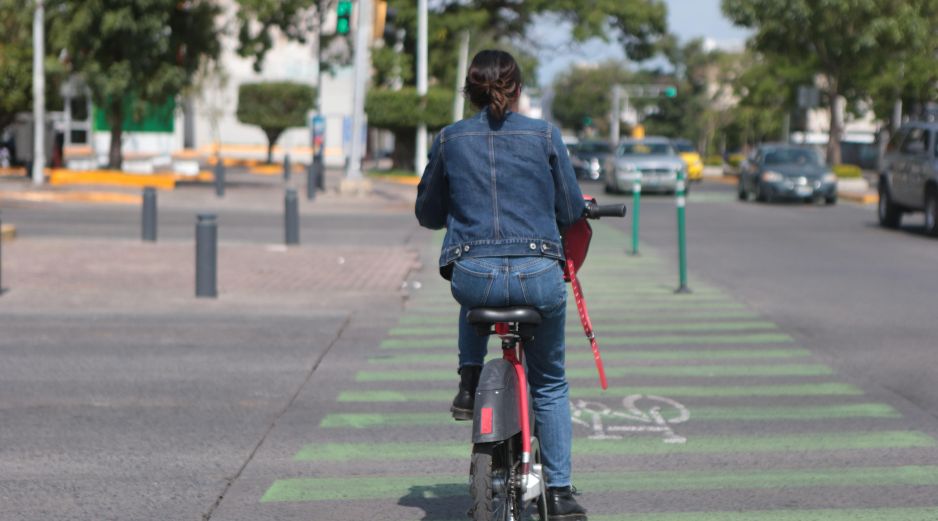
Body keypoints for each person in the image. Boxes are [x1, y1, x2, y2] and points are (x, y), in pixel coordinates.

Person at [415, 49, 588, 520]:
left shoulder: (449, 140)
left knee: (472, 288)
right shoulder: (545, 135)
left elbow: (428, 214)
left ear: (469, 89)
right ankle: (560, 492)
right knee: (549, 381)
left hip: (475, 278)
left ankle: (469, 380)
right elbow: (570, 211)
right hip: (538, 276)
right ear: (515, 89)